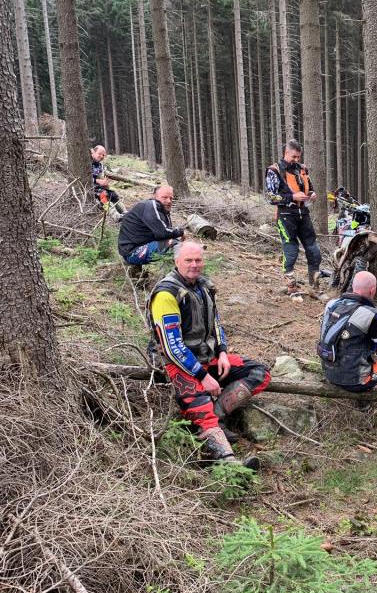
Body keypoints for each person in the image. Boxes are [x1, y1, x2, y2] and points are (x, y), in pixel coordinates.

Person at [148, 241, 270, 465]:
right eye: (188, 260)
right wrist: (203, 376)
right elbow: (171, 347)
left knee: (259, 373)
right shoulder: (166, 294)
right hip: (176, 364)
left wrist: (222, 352)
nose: (194, 265)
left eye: (198, 260)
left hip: (208, 356)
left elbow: (216, 324)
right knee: (201, 411)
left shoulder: (203, 286)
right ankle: (230, 464)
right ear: (177, 261)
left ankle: (218, 415)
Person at [317, 270, 377, 421]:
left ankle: (363, 401)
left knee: (358, 347)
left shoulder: (332, 304)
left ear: (353, 286)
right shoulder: (368, 315)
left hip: (329, 373)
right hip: (355, 382)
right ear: (373, 290)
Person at [265, 139, 322, 299]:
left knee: (314, 251)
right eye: (294, 157)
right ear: (286, 153)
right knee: (291, 251)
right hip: (285, 215)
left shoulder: (302, 169)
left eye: (298, 157)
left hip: (303, 213)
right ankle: (292, 289)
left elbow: (310, 188)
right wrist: (292, 197)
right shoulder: (274, 170)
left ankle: (315, 288)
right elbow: (270, 197)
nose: (296, 160)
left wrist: (312, 194)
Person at [118, 185, 185, 266]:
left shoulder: (161, 209)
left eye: (171, 198)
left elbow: (164, 233)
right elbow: (163, 233)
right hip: (133, 253)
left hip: (139, 247)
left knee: (175, 241)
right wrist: (180, 232)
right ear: (154, 197)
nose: (169, 201)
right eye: (164, 197)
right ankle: (180, 271)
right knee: (174, 244)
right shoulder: (151, 205)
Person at [91, 145, 126, 219]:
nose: (101, 156)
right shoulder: (87, 163)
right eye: (99, 154)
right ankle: (115, 215)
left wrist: (105, 183)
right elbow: (83, 178)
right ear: (93, 153)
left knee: (114, 195)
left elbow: (101, 178)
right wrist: (97, 181)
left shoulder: (100, 165)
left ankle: (125, 213)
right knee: (103, 195)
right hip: (91, 188)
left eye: (103, 155)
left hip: (100, 187)